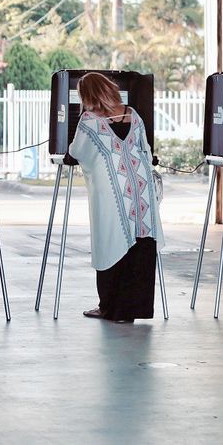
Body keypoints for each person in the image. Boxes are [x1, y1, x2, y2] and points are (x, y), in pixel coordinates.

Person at [69, 72, 164, 323]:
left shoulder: (89, 121)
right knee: (139, 242)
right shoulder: (133, 114)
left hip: (112, 192)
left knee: (111, 241)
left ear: (87, 96)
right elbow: (145, 147)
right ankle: (134, 309)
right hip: (140, 190)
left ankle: (110, 308)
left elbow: (77, 151)